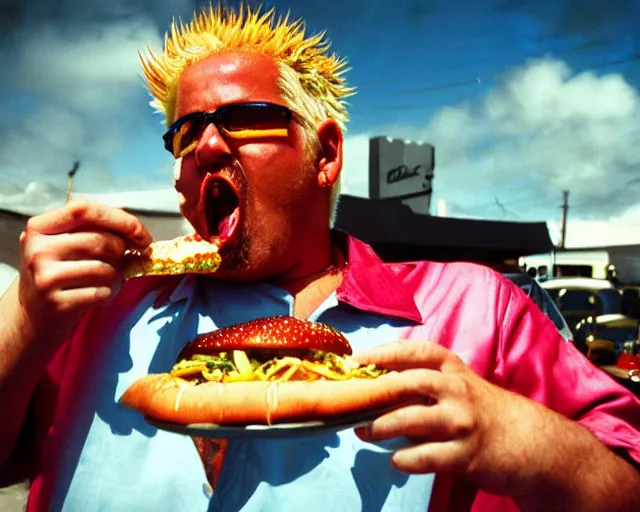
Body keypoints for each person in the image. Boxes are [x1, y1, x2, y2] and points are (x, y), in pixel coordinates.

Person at [1, 4, 639, 511]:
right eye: (185, 133)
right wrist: (23, 318)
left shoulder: (477, 310)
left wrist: (533, 444)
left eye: (244, 118)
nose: (206, 146)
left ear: (325, 156)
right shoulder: (96, 310)